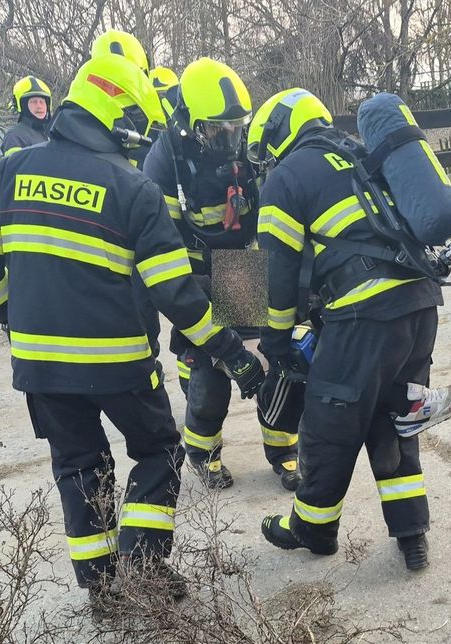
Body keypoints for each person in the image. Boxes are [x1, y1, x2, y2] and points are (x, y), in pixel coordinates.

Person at [0, 53, 264, 608]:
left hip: (41, 364)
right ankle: (143, 567)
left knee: (78, 467)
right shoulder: (134, 184)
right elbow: (175, 291)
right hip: (118, 359)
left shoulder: (10, 171)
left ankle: (102, 591)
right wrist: (229, 347)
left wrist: (11, 317)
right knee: (160, 450)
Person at [249, 89, 451, 571]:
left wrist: (275, 343)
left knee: (328, 426)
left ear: (279, 133)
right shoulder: (360, 154)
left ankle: (313, 529)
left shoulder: (285, 176)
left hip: (363, 317)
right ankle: (412, 533)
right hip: (419, 304)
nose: (264, 162)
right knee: (394, 416)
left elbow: (276, 272)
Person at [143, 58, 303, 491]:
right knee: (210, 371)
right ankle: (202, 451)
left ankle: (283, 447)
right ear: (191, 125)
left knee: (265, 360)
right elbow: (163, 241)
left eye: (238, 128)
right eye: (219, 130)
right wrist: (198, 304)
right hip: (191, 273)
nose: (231, 139)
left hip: (241, 262)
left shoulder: (241, 144)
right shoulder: (165, 162)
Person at [1, 76, 51, 157]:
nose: (39, 106)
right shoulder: (14, 136)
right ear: (23, 106)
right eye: (34, 102)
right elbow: (15, 167)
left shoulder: (52, 134)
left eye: (42, 102)